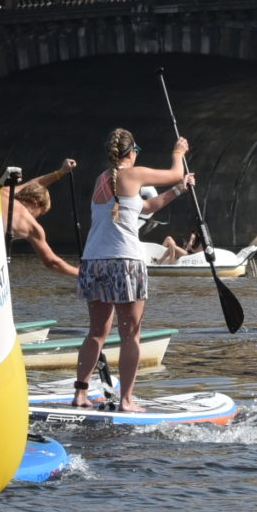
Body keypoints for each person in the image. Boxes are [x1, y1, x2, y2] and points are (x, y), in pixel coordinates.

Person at [72, 127, 195, 410]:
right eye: (136, 152)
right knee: (130, 334)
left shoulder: (101, 179)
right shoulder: (133, 174)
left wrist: (179, 190)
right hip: (125, 262)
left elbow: (146, 207)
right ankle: (126, 400)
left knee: (96, 332)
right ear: (131, 153)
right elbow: (175, 171)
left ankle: (80, 394)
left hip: (94, 262)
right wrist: (179, 152)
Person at [1, 162, 82, 279]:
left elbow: (34, 183)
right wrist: (81, 273)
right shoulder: (31, 226)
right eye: (41, 213)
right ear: (36, 203)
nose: (36, 218)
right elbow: (52, 262)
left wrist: (61, 172)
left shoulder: (5, 192)